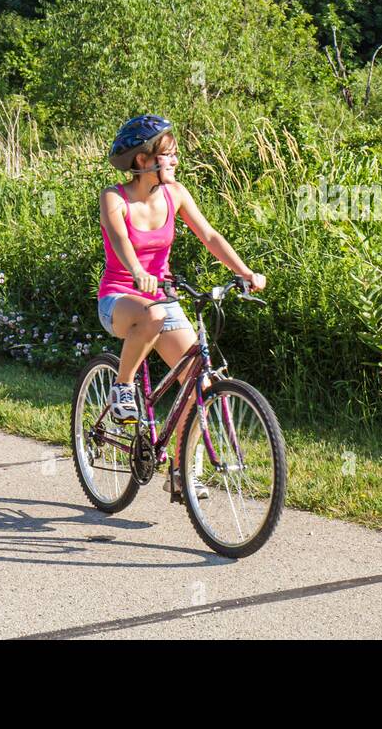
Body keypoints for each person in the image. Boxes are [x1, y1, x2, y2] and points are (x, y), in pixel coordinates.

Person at [96, 115, 265, 494]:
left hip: (161, 298)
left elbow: (209, 235)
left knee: (198, 380)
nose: (175, 161)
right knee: (152, 314)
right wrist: (138, 270)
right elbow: (121, 239)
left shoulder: (177, 194)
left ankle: (180, 472)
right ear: (143, 161)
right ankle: (122, 386)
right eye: (168, 155)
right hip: (120, 297)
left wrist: (245, 272)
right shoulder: (114, 197)